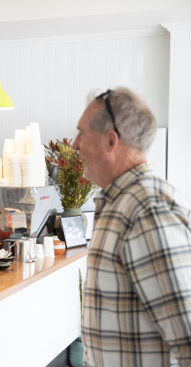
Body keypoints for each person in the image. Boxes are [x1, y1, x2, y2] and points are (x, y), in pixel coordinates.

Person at [73, 87, 191, 366]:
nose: (74, 144)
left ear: (111, 141)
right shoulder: (122, 202)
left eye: (82, 133)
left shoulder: (146, 211)